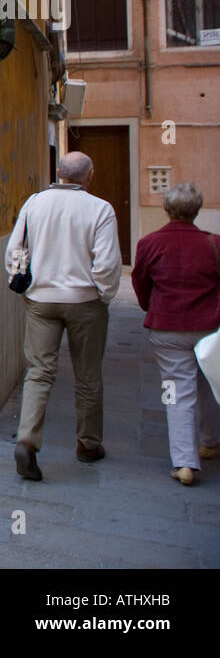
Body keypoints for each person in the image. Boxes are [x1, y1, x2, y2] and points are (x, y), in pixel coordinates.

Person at [6, 151, 122, 481]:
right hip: (85, 301)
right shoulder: (100, 209)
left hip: (41, 300)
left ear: (58, 172)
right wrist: (103, 294)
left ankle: (27, 440)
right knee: (88, 374)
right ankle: (88, 444)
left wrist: (21, 282)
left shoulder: (35, 203)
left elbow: (16, 249)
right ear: (91, 175)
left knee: (39, 371)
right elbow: (108, 264)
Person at [131, 182, 220, 486]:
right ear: (196, 210)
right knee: (209, 382)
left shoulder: (149, 243)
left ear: (167, 209)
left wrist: (150, 307)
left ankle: (184, 462)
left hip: (167, 327)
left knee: (177, 392)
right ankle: (209, 441)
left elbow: (141, 283)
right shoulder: (213, 244)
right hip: (208, 327)